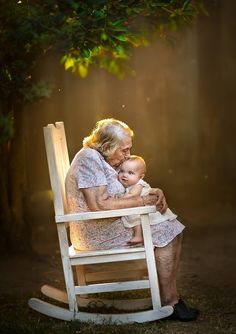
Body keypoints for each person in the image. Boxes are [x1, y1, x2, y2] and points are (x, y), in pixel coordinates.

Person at [65, 118, 198, 321]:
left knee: (173, 228)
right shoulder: (89, 159)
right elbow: (98, 204)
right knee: (168, 232)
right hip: (95, 232)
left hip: (108, 223)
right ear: (108, 146)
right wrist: (142, 201)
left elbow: (123, 189)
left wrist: (152, 192)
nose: (127, 155)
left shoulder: (101, 158)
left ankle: (170, 299)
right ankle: (170, 302)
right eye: (124, 150)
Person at [118, 155, 178, 245]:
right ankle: (139, 236)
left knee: (134, 216)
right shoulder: (131, 184)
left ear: (141, 177)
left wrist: (119, 198)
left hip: (146, 208)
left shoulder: (138, 184)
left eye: (130, 173)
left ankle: (138, 236)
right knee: (134, 215)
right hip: (141, 206)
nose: (124, 175)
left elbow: (133, 195)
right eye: (122, 171)